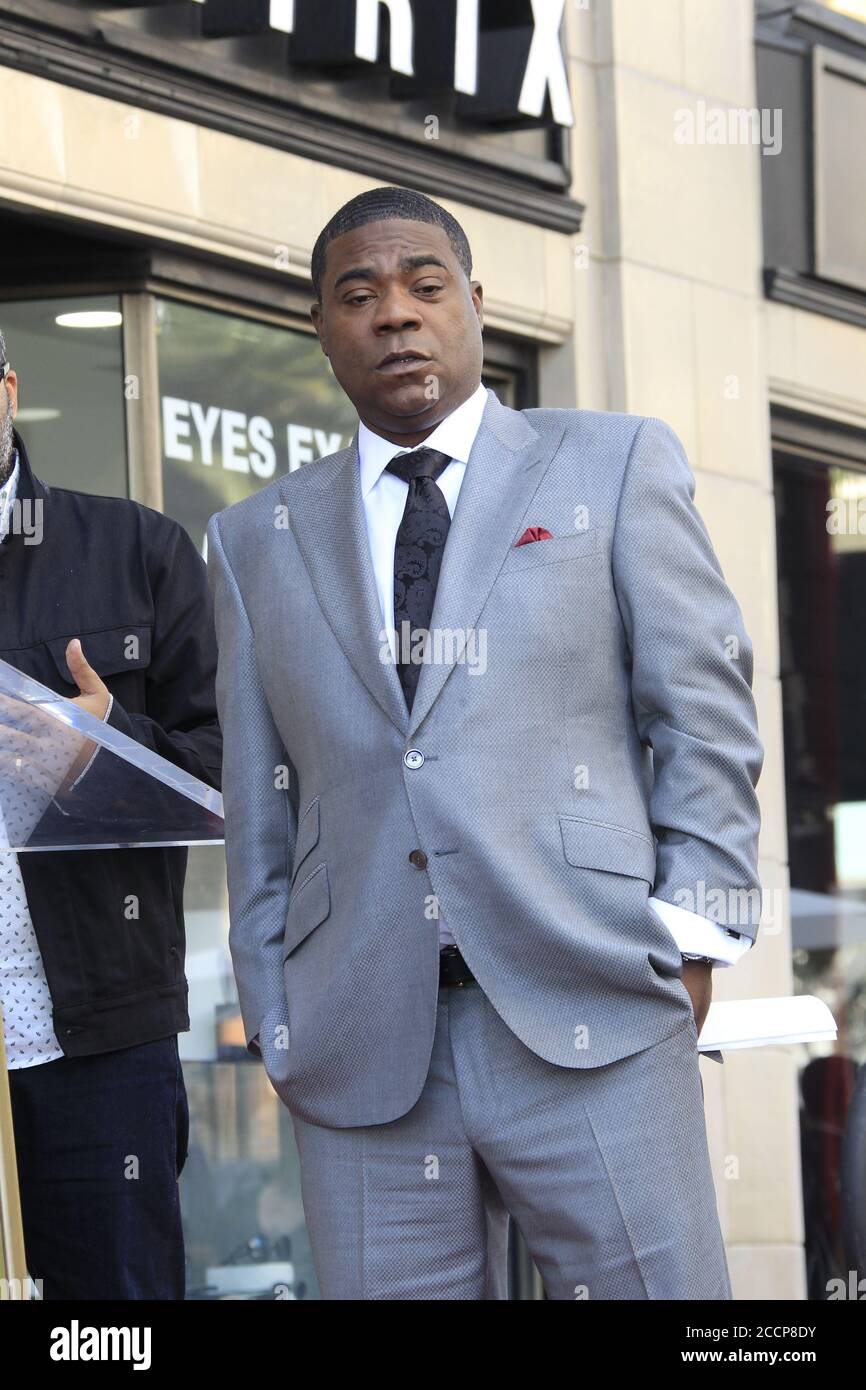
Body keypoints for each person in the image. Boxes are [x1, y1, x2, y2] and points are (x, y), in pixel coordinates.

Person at [206, 186, 764, 1300]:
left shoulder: (608, 465)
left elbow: (700, 706)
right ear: (320, 326)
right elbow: (263, 807)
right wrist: (275, 1009)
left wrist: (691, 931)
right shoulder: (251, 538)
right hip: (361, 1049)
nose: (395, 316)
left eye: (424, 285)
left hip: (591, 1003)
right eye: (357, 294)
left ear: (475, 302)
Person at [0, 332, 222, 1299]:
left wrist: (104, 754)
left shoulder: (136, 550)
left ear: (6, 389)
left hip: (88, 1038)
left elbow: (234, 780)